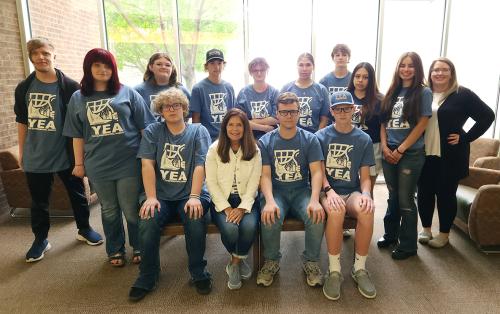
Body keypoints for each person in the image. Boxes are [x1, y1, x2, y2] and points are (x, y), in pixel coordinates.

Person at [14, 37, 103, 263]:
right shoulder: (24, 88)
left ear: (54, 55)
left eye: (45, 53)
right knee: (39, 202)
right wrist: (22, 151)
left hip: (65, 154)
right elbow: (22, 121)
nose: (41, 57)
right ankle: (40, 240)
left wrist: (81, 156)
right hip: (36, 155)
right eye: (35, 54)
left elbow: (80, 123)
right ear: (31, 58)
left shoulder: (70, 86)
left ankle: (84, 229)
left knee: (77, 196)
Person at [63, 48, 154, 267]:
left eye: (107, 66)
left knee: (131, 208)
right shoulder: (78, 97)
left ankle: (139, 246)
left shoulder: (128, 93)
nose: (103, 70)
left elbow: (145, 129)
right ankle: (115, 250)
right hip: (98, 164)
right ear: (89, 68)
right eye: (97, 65)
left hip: (129, 160)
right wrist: (78, 164)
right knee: (109, 209)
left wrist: (149, 159)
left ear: (113, 69)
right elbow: (76, 135)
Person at [128, 88, 212, 301]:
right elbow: (147, 164)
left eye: (177, 105)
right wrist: (151, 197)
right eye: (167, 106)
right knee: (147, 220)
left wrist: (194, 196)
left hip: (190, 192)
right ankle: (148, 275)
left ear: (184, 109)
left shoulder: (198, 131)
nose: (172, 109)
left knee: (194, 218)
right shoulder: (152, 132)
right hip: (159, 194)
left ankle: (197, 271)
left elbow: (201, 166)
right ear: (161, 111)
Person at [417, 58, 495, 248]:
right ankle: (426, 229)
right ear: (430, 73)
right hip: (423, 152)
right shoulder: (424, 93)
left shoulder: (462, 94)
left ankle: (444, 234)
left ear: (452, 73)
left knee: (445, 194)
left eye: (445, 70)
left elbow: (487, 116)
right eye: (436, 70)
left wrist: (466, 137)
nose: (440, 73)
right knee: (424, 192)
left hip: (450, 155)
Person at [257, 92, 325, 288]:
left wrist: (314, 199)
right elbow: (266, 175)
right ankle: (271, 261)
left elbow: (316, 172)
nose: (288, 116)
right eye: (284, 112)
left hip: (301, 190)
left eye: (292, 112)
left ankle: (311, 262)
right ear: (277, 114)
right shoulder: (265, 142)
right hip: (276, 191)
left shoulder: (310, 139)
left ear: (298, 113)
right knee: (270, 215)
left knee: (315, 214)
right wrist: (269, 201)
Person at [316, 91, 376, 300]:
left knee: (367, 210)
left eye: (347, 108)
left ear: (354, 109)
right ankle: (334, 270)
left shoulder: (364, 139)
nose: (342, 112)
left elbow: (365, 176)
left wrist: (367, 194)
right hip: (327, 190)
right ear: (331, 112)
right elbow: (318, 172)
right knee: (335, 210)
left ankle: (359, 268)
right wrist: (328, 191)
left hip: (351, 190)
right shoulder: (320, 136)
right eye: (338, 108)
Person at [377, 52, 432, 260]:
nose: (406, 69)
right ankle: (390, 235)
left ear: (417, 69)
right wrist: (384, 146)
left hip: (410, 153)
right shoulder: (393, 91)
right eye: (403, 65)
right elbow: (383, 122)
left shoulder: (423, 92)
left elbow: (422, 124)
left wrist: (401, 150)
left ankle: (408, 245)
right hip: (388, 150)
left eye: (411, 66)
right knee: (392, 196)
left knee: (406, 199)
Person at [206, 108, 262, 290]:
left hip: (247, 200)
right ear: (225, 127)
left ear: (245, 128)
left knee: (249, 227)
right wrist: (227, 208)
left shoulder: (254, 150)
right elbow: (211, 183)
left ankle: (235, 262)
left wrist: (243, 208)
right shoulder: (214, 149)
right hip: (223, 201)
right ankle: (240, 256)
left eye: (239, 125)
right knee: (230, 230)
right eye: (231, 125)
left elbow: (254, 183)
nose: (235, 129)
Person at [347, 62, 384, 196]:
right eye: (357, 76)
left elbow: (383, 127)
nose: (360, 80)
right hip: (348, 146)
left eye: (365, 77)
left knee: (367, 189)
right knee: (348, 185)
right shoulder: (346, 96)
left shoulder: (380, 99)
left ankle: (366, 214)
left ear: (371, 79)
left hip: (372, 147)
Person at [190, 48, 235, 142]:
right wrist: (199, 139)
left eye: (219, 63)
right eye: (212, 63)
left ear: (224, 65)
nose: (216, 67)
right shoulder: (198, 89)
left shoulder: (229, 87)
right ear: (206, 66)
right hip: (207, 138)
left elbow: (232, 114)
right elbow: (196, 118)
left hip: (227, 137)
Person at [281, 53, 330, 133]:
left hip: (314, 137)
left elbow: (324, 119)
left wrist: (315, 138)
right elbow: (281, 116)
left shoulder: (321, 90)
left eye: (308, 65)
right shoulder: (286, 89)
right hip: (291, 137)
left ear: (313, 67)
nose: (304, 69)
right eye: (301, 65)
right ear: (296, 66)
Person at [134, 52, 190, 121]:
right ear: (151, 67)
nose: (163, 67)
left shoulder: (182, 91)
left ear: (172, 69)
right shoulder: (138, 91)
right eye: (159, 64)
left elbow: (187, 116)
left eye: (167, 65)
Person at [236, 57, 279, 139]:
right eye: (255, 70)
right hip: (249, 138)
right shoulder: (243, 93)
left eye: (262, 70)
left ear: (267, 71)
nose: (259, 73)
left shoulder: (274, 92)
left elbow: (276, 119)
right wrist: (264, 128)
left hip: (271, 138)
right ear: (251, 73)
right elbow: (240, 121)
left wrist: (252, 122)